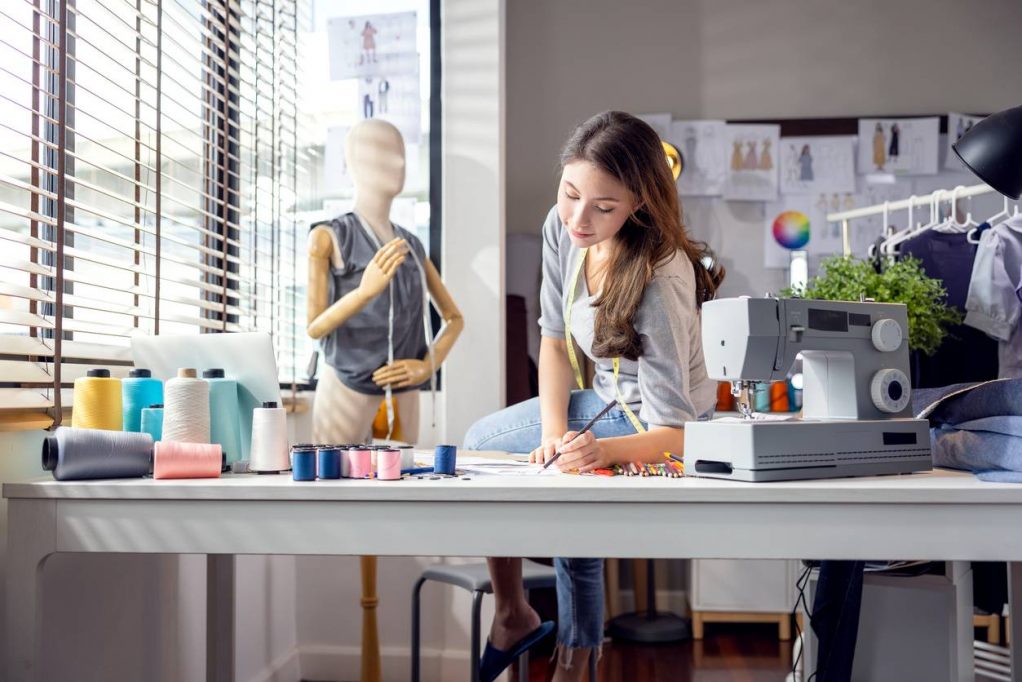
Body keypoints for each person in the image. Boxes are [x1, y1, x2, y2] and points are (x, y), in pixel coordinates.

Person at [463, 111, 722, 681]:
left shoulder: (661, 278)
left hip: (657, 425)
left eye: (603, 207)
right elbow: (552, 342)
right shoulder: (564, 229)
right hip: (604, 403)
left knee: (482, 443)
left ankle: (545, 638)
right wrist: (557, 433)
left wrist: (599, 453)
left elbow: (678, 436)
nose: (580, 217)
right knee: (539, 466)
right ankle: (550, 640)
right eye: (571, 193)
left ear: (640, 204)